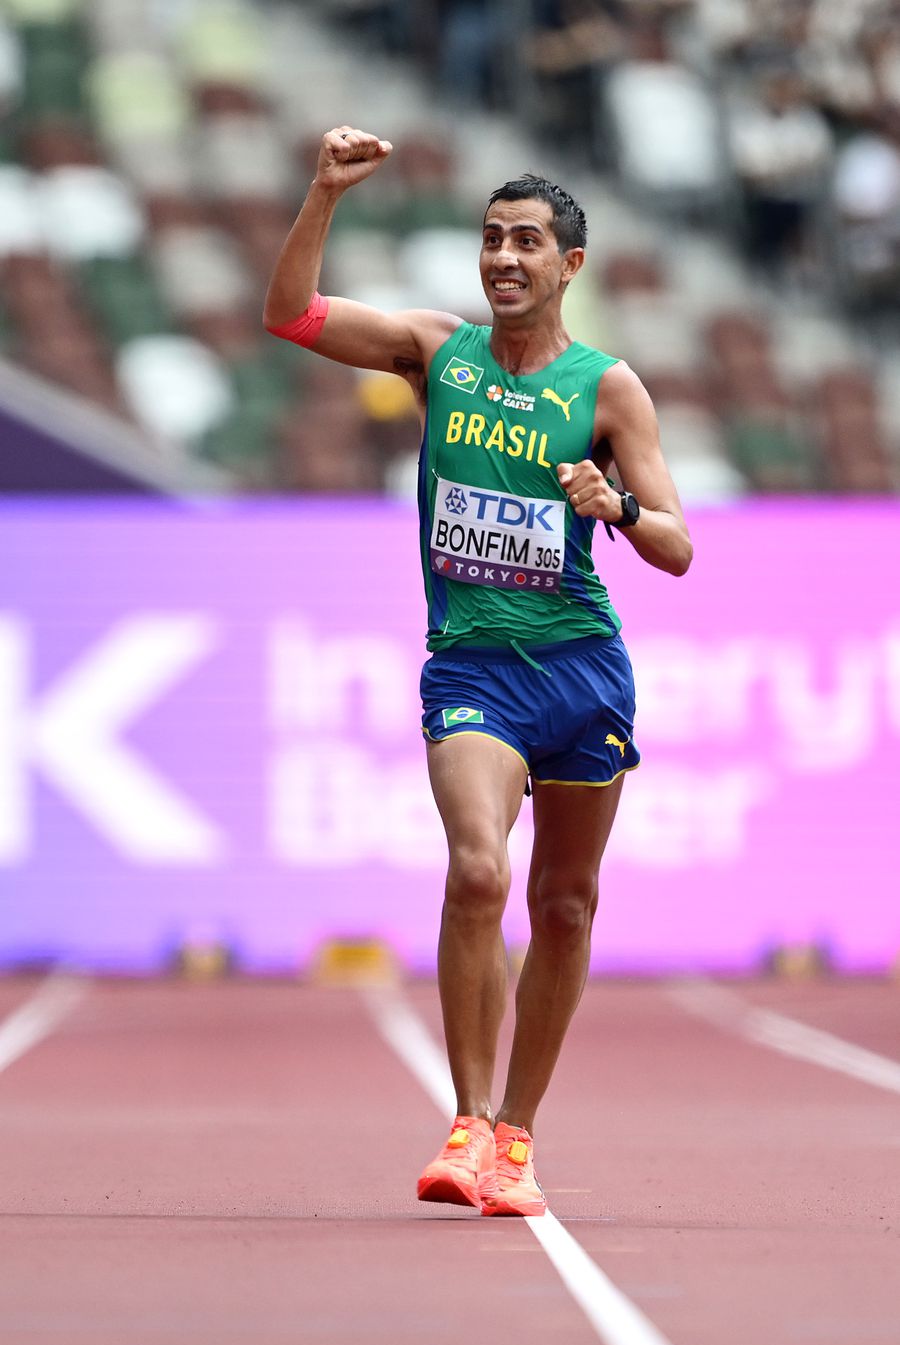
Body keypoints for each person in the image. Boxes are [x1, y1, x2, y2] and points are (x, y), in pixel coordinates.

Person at [264, 126, 692, 1218]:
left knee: (565, 904)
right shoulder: (434, 351)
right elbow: (292, 315)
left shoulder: (610, 390)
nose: (504, 257)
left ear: (570, 268)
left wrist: (619, 507)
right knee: (480, 872)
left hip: (584, 670)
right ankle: (464, 1123)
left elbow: (678, 545)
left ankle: (517, 1136)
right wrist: (322, 191)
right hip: (474, 673)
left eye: (528, 242)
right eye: (492, 238)